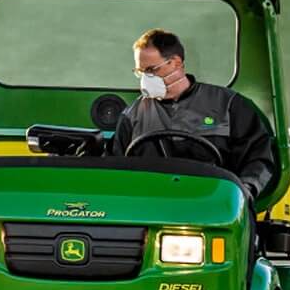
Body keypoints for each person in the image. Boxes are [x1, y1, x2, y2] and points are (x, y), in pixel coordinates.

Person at [116, 28, 278, 201]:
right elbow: (116, 167)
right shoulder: (132, 116)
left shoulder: (229, 105)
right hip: (150, 204)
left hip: (213, 203)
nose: (146, 79)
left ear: (176, 63)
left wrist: (243, 193)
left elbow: (259, 158)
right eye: (141, 72)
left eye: (151, 70)